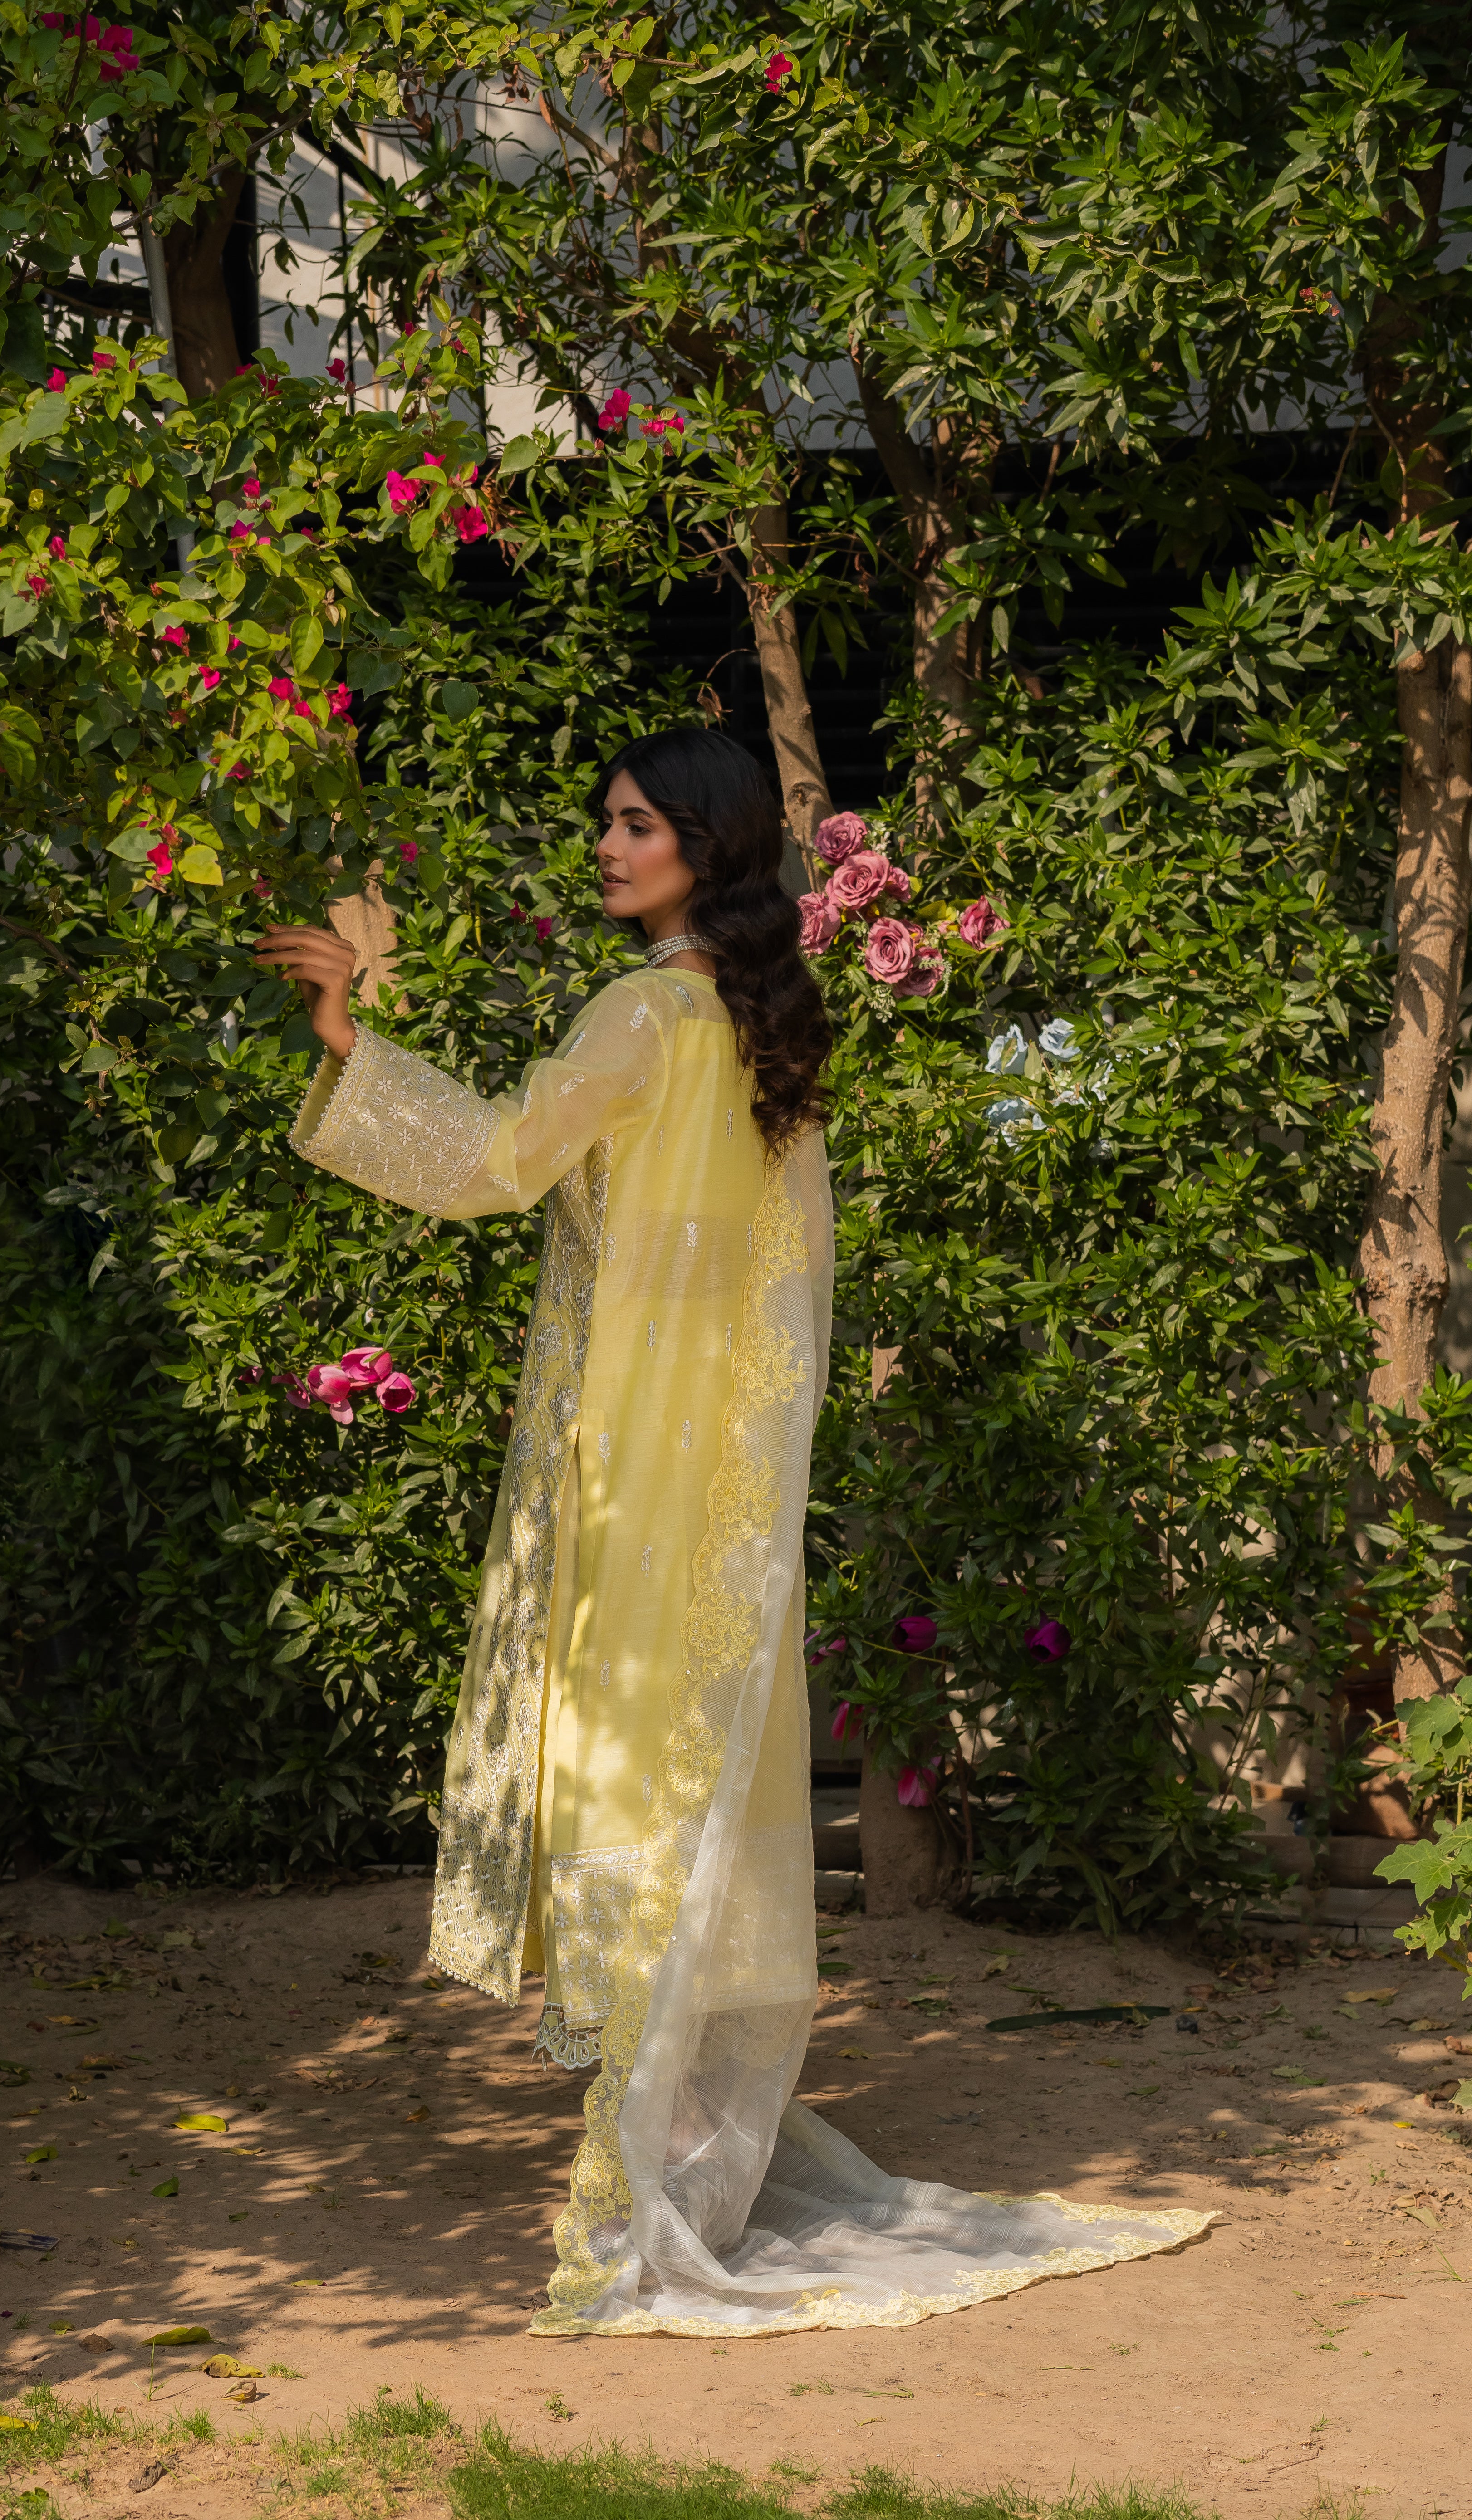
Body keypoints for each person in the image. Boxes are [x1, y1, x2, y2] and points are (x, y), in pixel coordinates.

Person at [256, 728, 1210, 2339]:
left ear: (706, 842)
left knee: (628, 1765)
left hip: (639, 1458)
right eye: (607, 822)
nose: (609, 845)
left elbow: (496, 1162)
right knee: (690, 1773)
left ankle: (641, 2182)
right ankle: (677, 2143)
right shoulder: (760, 1019)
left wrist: (348, 1038)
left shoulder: (643, 1014)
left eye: (637, 824)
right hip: (724, 1469)